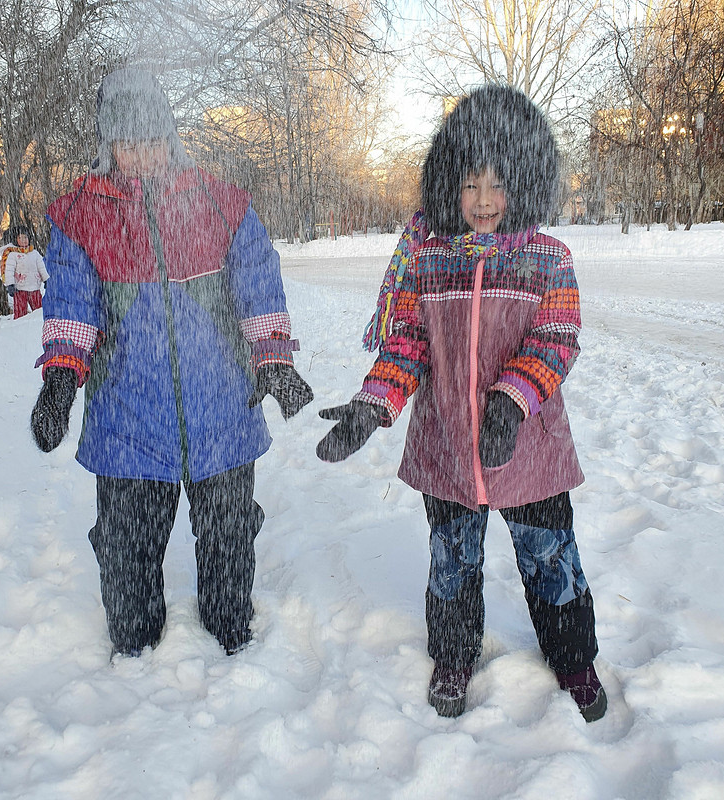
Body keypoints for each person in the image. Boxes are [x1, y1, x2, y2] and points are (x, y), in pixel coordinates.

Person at [316, 84, 606, 722]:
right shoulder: (428, 257)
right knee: (452, 562)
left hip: (529, 450)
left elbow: (557, 338)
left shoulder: (546, 259)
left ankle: (574, 659)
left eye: (497, 185)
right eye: (470, 185)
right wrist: (373, 406)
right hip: (447, 449)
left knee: (551, 559)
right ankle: (453, 655)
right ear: (448, 183)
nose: (482, 202)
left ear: (523, 185)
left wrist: (510, 401)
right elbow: (406, 345)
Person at [29, 68, 313, 659]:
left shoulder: (218, 201)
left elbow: (258, 284)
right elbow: (72, 302)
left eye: (152, 139)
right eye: (127, 143)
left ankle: (231, 622)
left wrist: (273, 360)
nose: (142, 154)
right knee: (127, 559)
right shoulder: (81, 215)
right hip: (128, 422)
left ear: (172, 137)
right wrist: (60, 378)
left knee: (229, 542)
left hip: (223, 415)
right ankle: (135, 643)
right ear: (108, 144)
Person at [2, 225, 48, 319]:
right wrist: (10, 284)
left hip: (34, 287)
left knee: (39, 312)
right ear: (15, 240)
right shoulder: (13, 255)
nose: (24, 240)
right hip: (19, 289)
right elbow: (9, 271)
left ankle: (38, 326)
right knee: (20, 314)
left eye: (25, 237)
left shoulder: (34, 253)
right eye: (20, 238)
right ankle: (19, 329)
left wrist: (46, 279)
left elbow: (41, 268)